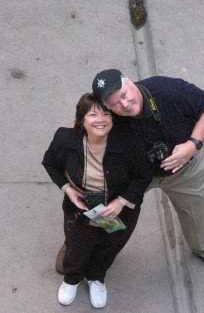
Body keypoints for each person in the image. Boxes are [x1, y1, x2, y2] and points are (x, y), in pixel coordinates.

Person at [90, 68, 204, 279]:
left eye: (124, 95)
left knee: (199, 214)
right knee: (101, 208)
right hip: (134, 176)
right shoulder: (101, 117)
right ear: (105, 107)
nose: (124, 105)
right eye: (115, 104)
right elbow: (75, 139)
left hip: (185, 167)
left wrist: (193, 144)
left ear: (132, 83)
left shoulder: (168, 90)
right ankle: (82, 248)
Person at [42, 93, 152, 308]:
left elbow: (143, 176)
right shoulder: (65, 139)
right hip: (81, 209)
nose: (100, 119)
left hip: (120, 211)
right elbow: (50, 163)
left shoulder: (129, 143)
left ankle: (96, 278)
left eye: (106, 114)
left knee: (109, 246)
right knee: (77, 245)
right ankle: (72, 279)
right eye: (93, 114)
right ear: (81, 120)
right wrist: (67, 189)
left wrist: (121, 201)